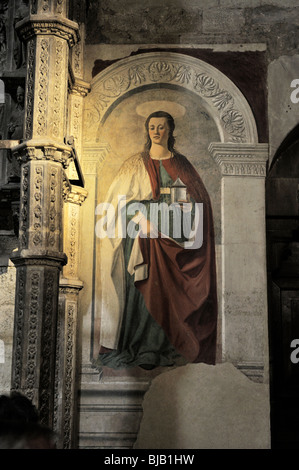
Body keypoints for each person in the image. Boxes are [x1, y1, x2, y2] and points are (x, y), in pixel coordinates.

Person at [97, 110, 218, 370]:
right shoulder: (134, 163)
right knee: (145, 287)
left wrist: (186, 208)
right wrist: (139, 218)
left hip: (174, 235)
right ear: (147, 130)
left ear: (170, 131)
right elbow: (117, 204)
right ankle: (142, 346)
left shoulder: (183, 164)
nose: (156, 131)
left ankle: (164, 345)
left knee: (169, 291)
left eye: (162, 127)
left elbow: (197, 202)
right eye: (152, 127)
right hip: (143, 237)